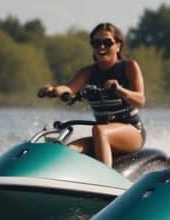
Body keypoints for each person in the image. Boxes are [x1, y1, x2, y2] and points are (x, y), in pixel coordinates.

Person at [38, 23, 145, 167]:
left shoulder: (129, 67)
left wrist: (120, 90)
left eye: (107, 43)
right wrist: (53, 90)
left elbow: (140, 100)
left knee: (99, 130)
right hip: (102, 134)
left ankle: (106, 179)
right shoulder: (87, 72)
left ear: (118, 46)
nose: (101, 47)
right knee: (69, 149)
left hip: (132, 131)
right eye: (96, 43)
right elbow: (69, 89)